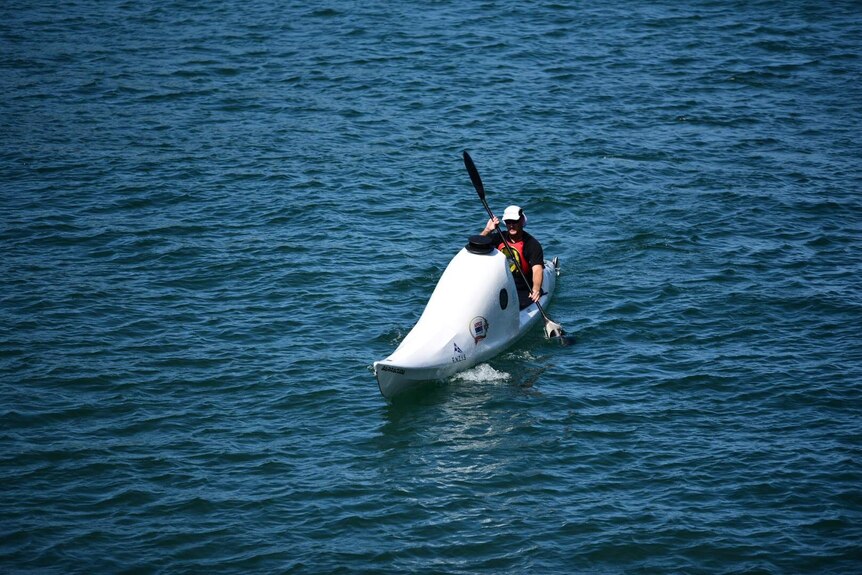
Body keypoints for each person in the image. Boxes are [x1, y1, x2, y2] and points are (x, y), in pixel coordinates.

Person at [480, 205, 545, 310]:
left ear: (521, 221)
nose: (511, 225)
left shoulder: (532, 244)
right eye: (508, 222)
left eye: (514, 222)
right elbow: (476, 246)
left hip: (523, 289)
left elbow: (537, 269)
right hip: (500, 287)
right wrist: (487, 230)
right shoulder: (498, 238)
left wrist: (536, 288)